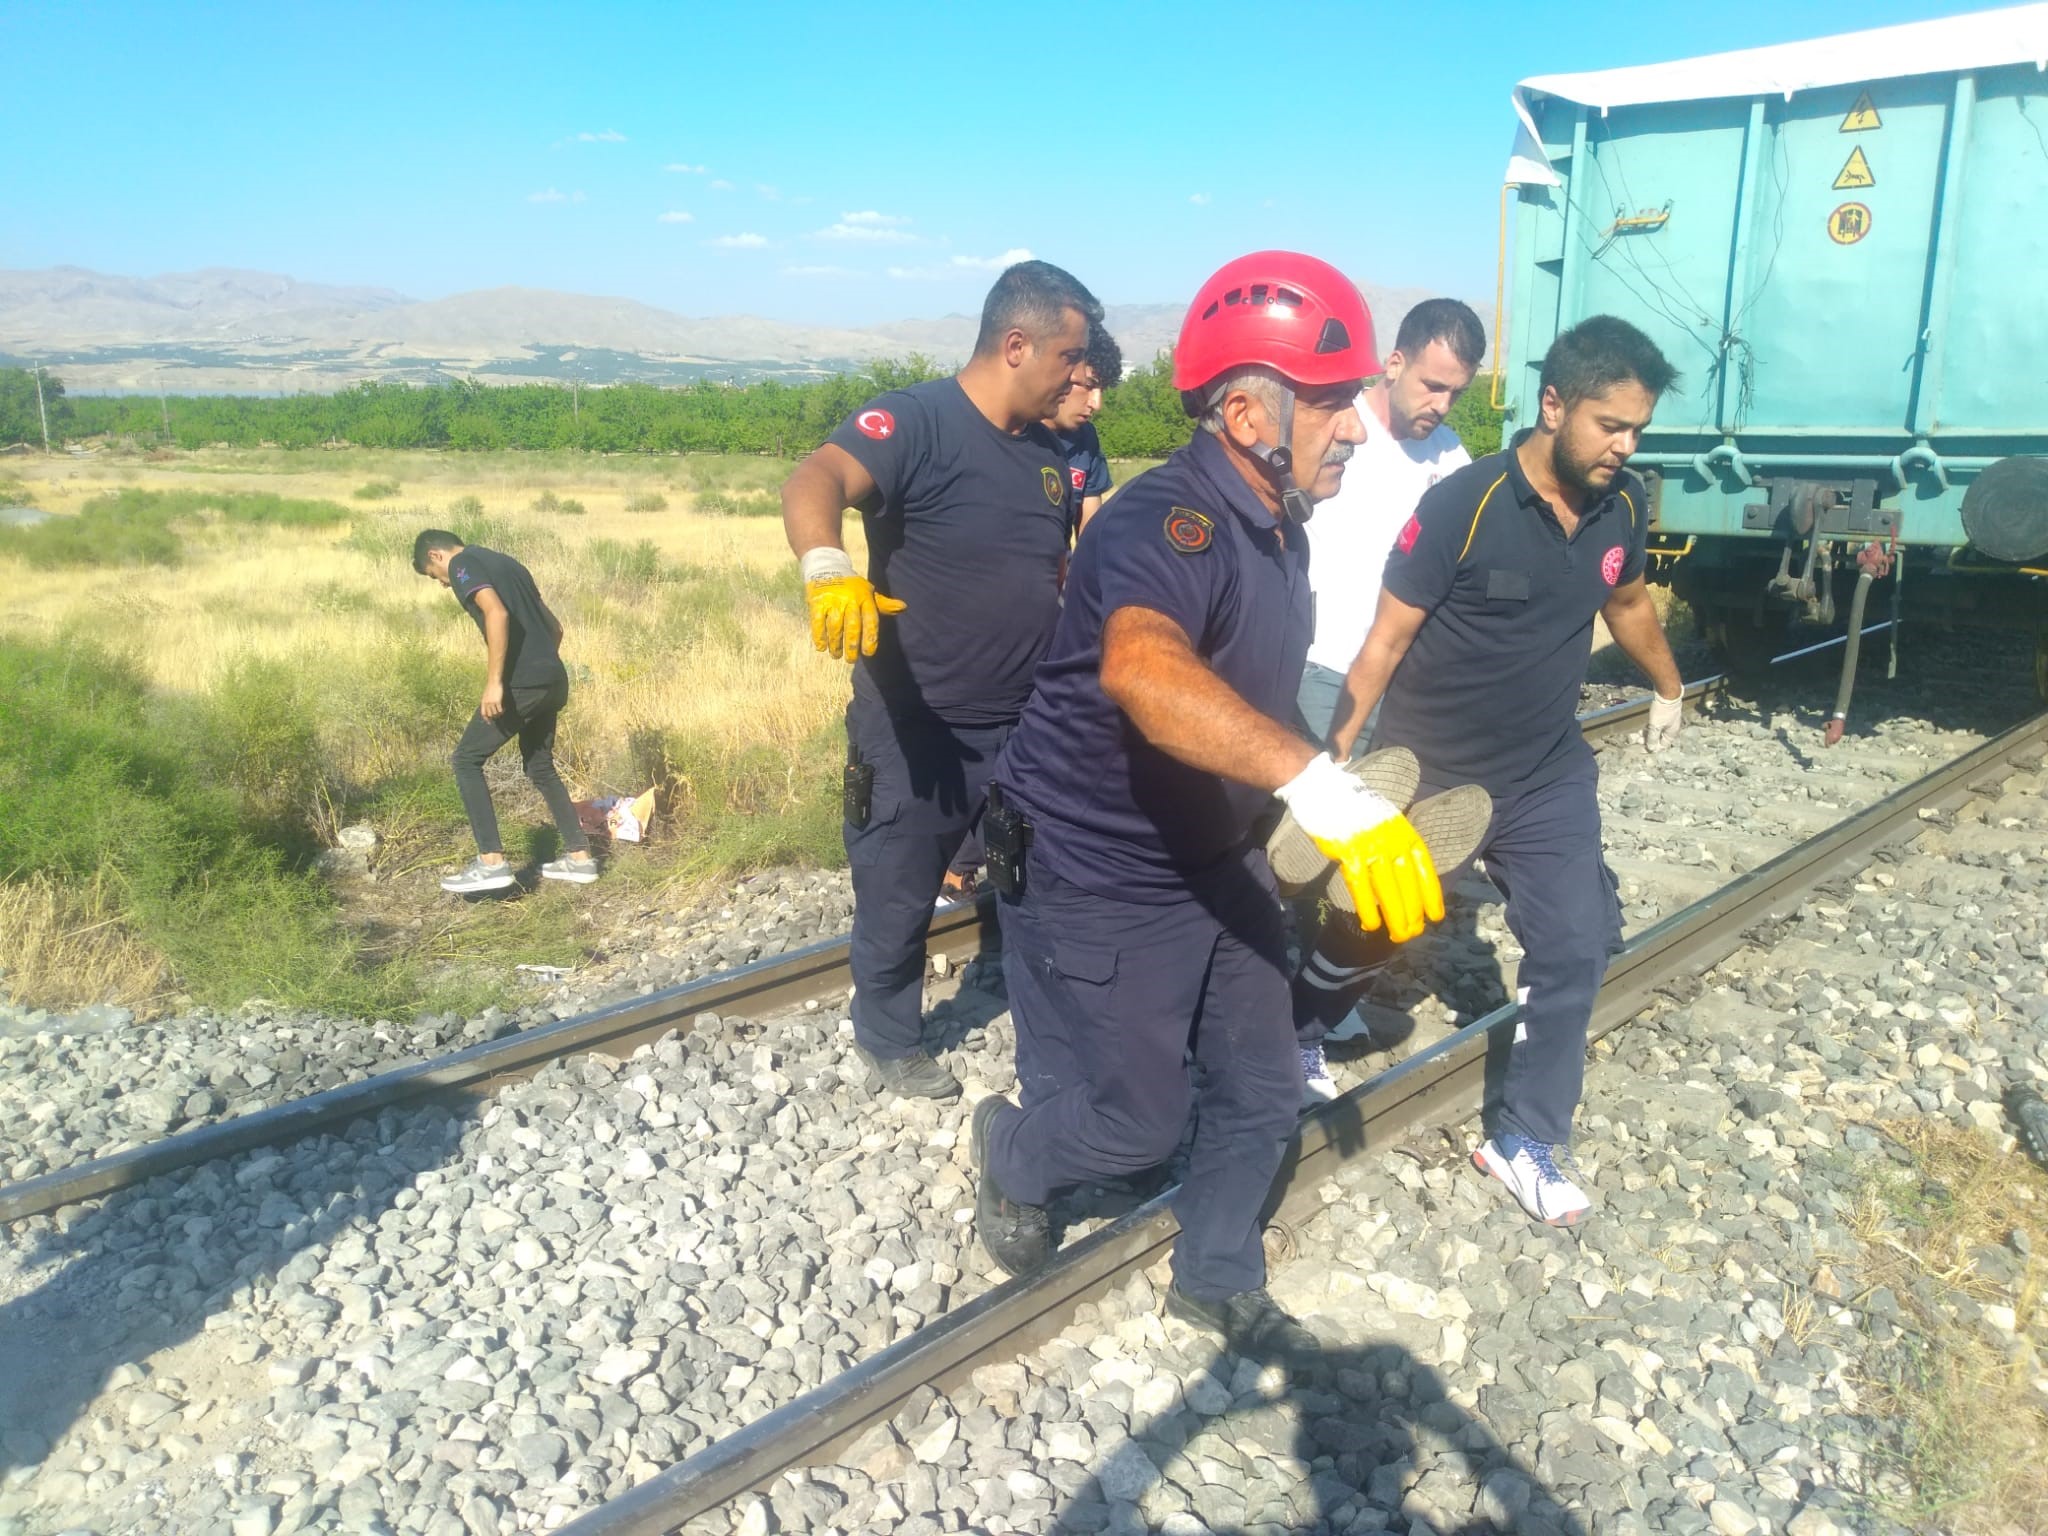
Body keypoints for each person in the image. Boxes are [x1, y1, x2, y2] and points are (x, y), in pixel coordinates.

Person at [969, 252, 1460, 1355]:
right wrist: (1318, 789)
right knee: (1137, 1121)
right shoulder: (1165, 522)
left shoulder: (1278, 521)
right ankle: (1010, 1153)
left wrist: (1307, 789)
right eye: (1329, 403)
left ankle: (1216, 1273)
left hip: (1213, 853)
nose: (1355, 428)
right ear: (1245, 414)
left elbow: (1249, 683)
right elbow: (1144, 672)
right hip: (1098, 866)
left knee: (1261, 1083)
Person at [1304, 314, 1685, 1226]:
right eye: (1610, 426)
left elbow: (1629, 599)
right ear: (1554, 406)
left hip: (1547, 770)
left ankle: (1526, 1139)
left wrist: (1669, 686)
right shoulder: (1462, 506)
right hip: (1438, 770)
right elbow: (1384, 641)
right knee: (1374, 927)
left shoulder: (1622, 505)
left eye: (1637, 430)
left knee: (1575, 944)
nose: (1625, 447)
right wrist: (1334, 760)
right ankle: (1298, 1031)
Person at [781, 260, 1102, 1102]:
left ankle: (1039, 1003)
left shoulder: (1049, 453)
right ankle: (888, 1036)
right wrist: (826, 565)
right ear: (1016, 344)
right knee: (897, 889)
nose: (1080, 376)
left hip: (1025, 719)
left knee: (1036, 877)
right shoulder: (917, 420)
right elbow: (816, 478)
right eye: (1070, 357)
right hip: (918, 726)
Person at [1289, 298, 1485, 1101]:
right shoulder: (1341, 432)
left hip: (1399, 683)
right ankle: (1283, 1017)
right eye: (1432, 384)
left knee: (1368, 853)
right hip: (1321, 669)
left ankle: (1321, 1001)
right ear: (1394, 363)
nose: (1441, 404)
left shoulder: (1451, 457)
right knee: (1306, 851)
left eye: (1456, 392)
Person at [937, 325, 1128, 905]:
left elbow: (1091, 528)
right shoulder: (1004, 434)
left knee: (1033, 743)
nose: (1095, 403)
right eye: (1087, 386)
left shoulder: (1084, 443)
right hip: (986, 628)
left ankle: (1013, 860)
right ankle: (954, 867)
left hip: (1053, 615)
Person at [412, 529, 598, 892]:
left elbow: (496, 613)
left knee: (466, 760)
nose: (444, 585)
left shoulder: (463, 564)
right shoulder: (507, 563)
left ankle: (491, 862)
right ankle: (580, 859)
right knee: (540, 766)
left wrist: (495, 682)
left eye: (435, 577)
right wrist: (541, 666)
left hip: (521, 683)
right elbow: (555, 628)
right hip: (553, 678)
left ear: (435, 555)